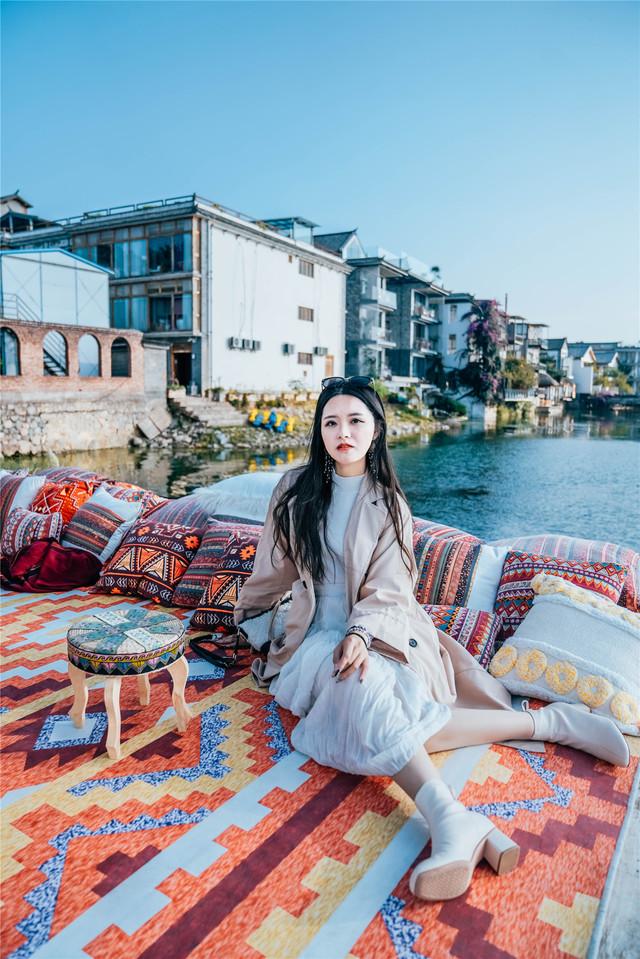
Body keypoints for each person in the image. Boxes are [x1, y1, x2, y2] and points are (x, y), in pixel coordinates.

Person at [234, 376, 630, 902]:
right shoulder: (293, 490)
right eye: (331, 422)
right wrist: (251, 623)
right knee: (377, 712)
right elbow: (271, 570)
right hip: (312, 635)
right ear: (319, 431)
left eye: (355, 421)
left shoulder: (389, 504)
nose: (342, 432)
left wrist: (359, 634)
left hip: (381, 629)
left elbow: (391, 588)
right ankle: (543, 728)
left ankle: (450, 818)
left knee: (359, 689)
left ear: (376, 431)